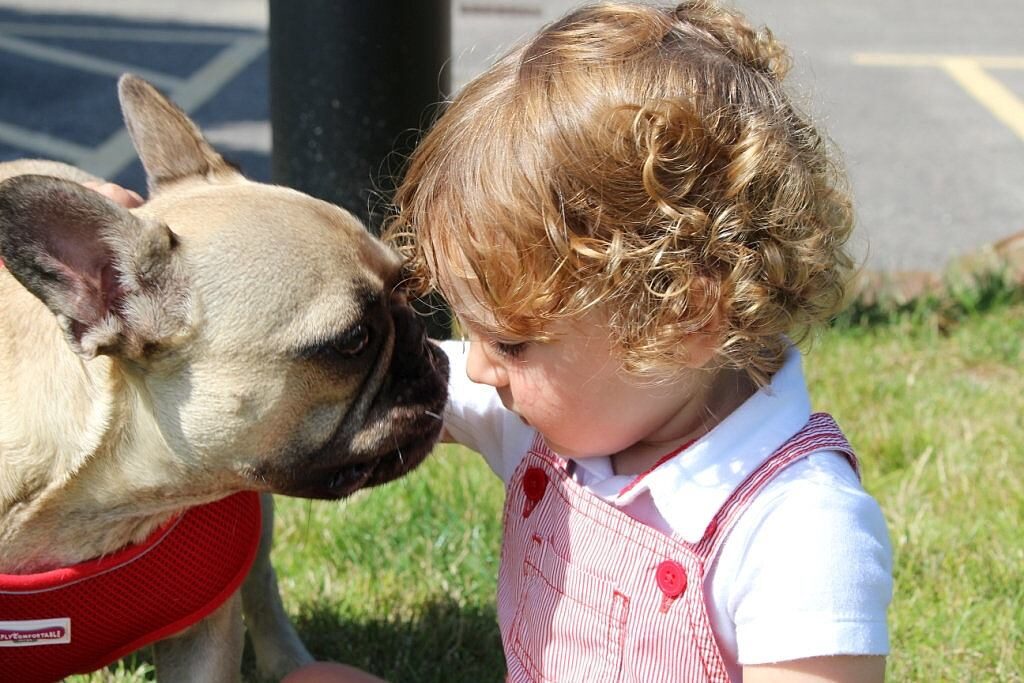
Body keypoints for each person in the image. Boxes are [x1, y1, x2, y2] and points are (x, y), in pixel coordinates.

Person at [102, 3, 894, 680]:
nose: (476, 366)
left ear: (683, 320)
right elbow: (361, 384)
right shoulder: (584, 405)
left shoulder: (797, 529)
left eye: (511, 342)